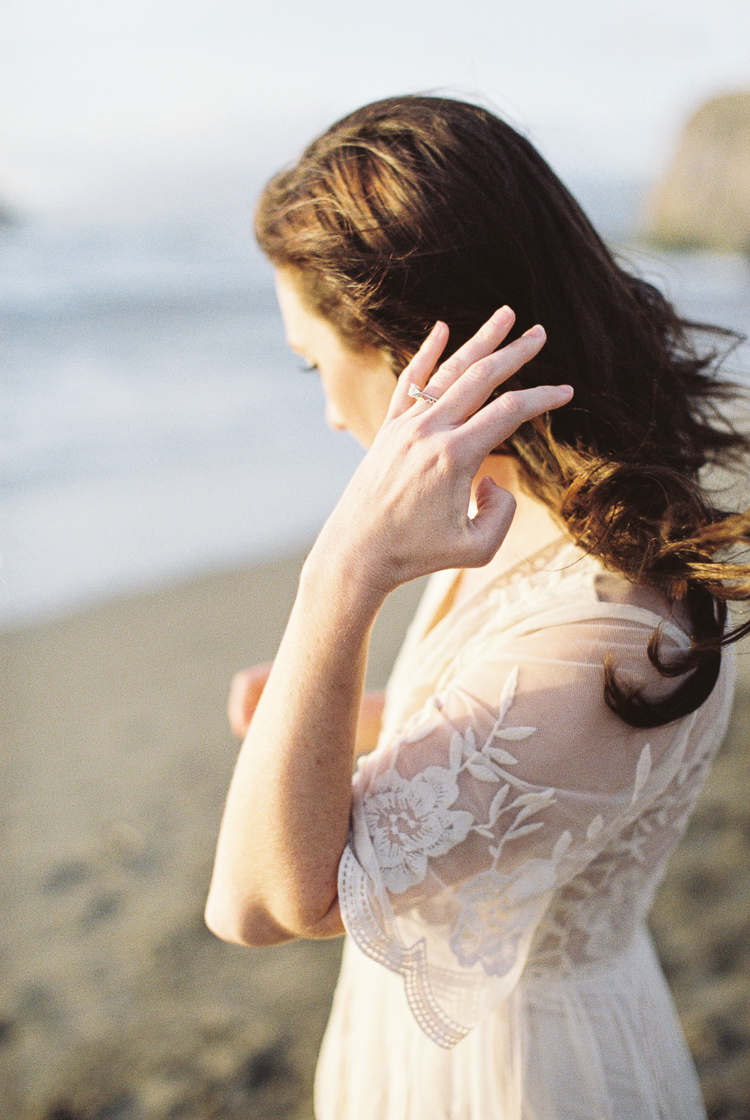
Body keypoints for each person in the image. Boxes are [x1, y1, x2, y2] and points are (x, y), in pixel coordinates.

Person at [205, 96, 750, 1119]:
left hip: (519, 1077)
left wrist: (339, 578)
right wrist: (323, 713)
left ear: (417, 348)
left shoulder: (610, 633)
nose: (326, 408)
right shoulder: (527, 510)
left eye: (314, 362)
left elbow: (263, 902)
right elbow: (506, 754)